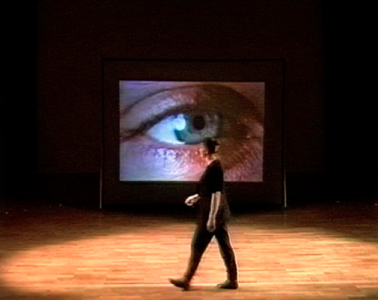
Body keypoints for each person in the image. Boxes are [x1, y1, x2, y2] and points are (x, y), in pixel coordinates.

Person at [169, 138, 238, 291]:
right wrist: (196, 197)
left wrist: (212, 217)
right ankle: (232, 279)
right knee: (224, 246)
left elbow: (217, 193)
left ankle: (187, 279)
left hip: (212, 212)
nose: (198, 150)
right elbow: (208, 189)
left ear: (207, 150)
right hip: (211, 210)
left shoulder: (215, 167)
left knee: (198, 244)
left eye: (201, 148)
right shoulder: (212, 166)